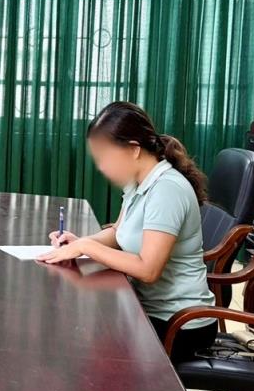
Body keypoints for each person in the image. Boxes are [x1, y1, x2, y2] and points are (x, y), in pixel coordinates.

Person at [37, 101, 217, 362]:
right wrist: (78, 242)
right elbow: (117, 233)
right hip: (146, 308)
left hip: (179, 324)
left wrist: (88, 248)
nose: (101, 167)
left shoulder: (167, 190)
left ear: (134, 149)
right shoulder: (139, 183)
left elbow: (148, 270)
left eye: (106, 157)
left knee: (81, 341)